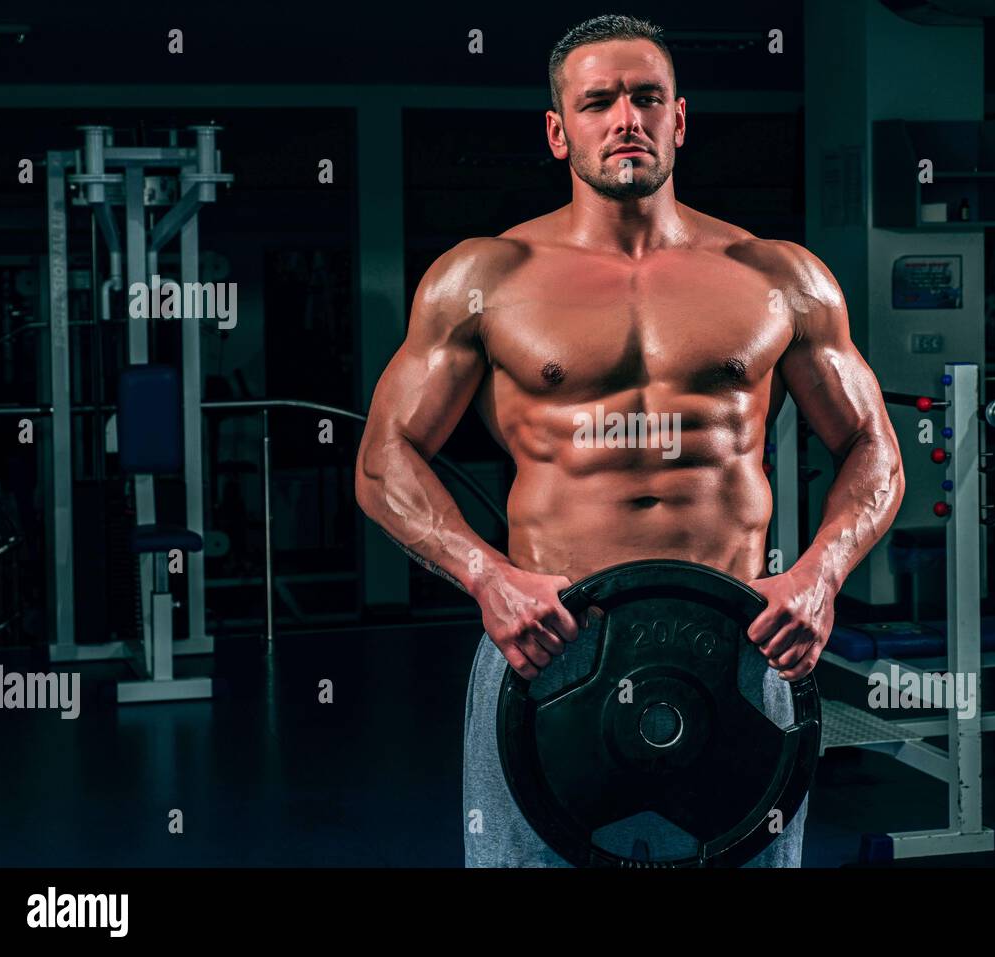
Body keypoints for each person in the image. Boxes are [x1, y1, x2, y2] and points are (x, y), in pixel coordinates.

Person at [355, 14, 904, 867]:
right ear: (557, 129)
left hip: (738, 642)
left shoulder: (777, 277)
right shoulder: (484, 277)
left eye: (647, 98)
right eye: (598, 101)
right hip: (547, 646)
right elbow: (382, 458)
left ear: (679, 119)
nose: (626, 120)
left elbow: (874, 447)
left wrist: (820, 574)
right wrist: (486, 576)